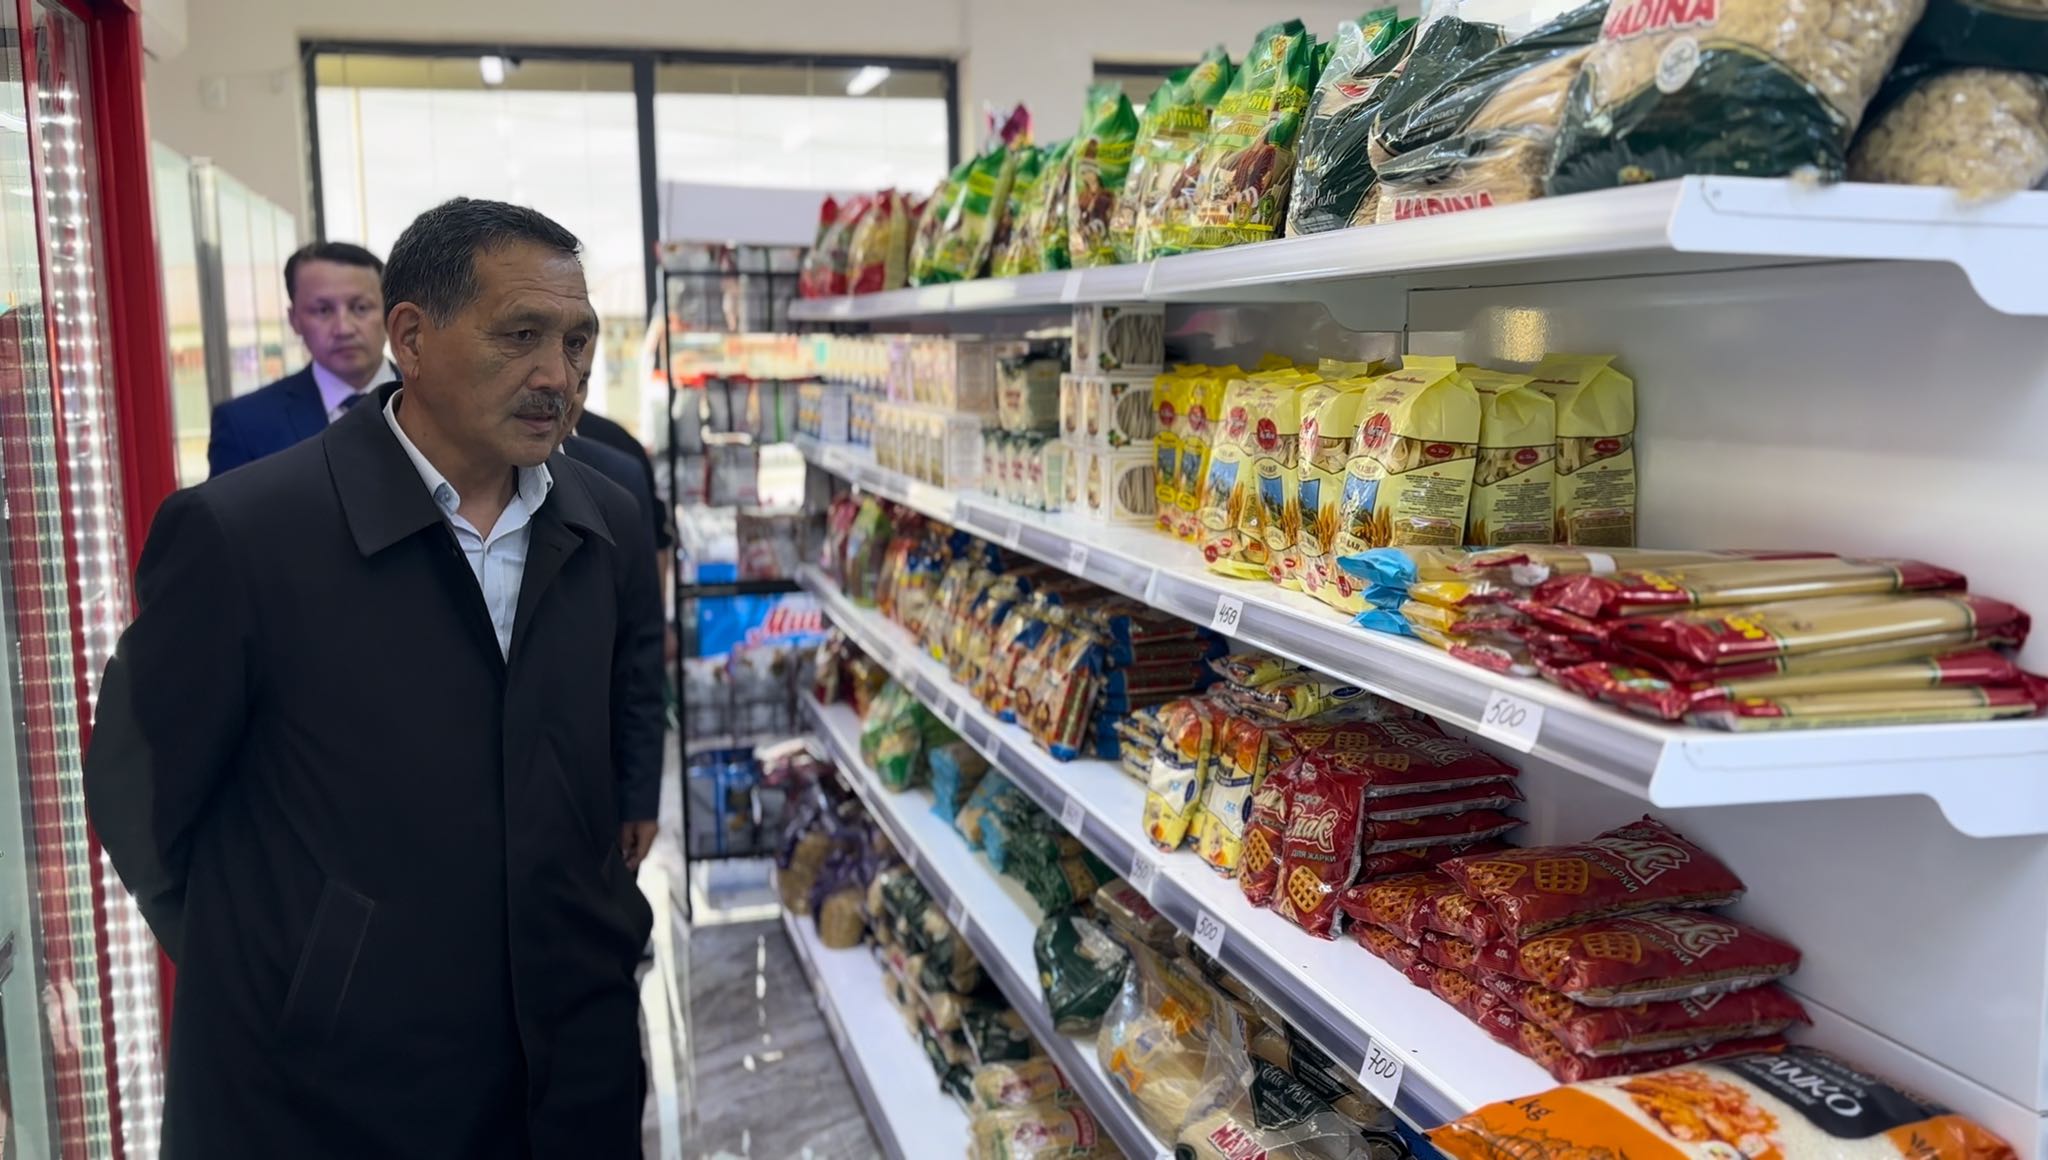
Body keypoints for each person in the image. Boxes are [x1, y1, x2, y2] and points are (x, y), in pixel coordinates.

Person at [85, 198, 662, 1158]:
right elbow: (140, 796)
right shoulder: (244, 535)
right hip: (336, 1091)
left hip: (572, 1060)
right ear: (413, 338)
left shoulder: (606, 520)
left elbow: (599, 728)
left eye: (577, 341)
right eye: (520, 335)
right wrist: (301, 969)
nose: (558, 376)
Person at [208, 241, 396, 477]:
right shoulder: (244, 425)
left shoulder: (434, 401)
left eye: (360, 308)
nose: (344, 329)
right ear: (294, 319)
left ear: (390, 311)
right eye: (323, 310)